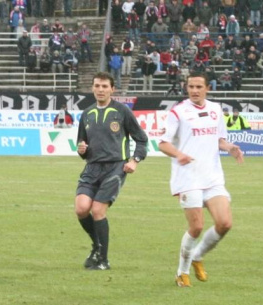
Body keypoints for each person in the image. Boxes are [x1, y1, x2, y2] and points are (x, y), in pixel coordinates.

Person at [158, 72, 245, 288]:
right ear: (186, 88)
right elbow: (163, 143)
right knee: (196, 227)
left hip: (212, 177)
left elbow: (219, 140)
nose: (194, 91)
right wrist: (179, 155)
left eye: (198, 87)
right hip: (188, 178)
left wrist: (230, 147)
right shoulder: (178, 112)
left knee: (225, 223)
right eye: (191, 87)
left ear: (208, 88)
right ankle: (182, 272)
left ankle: (197, 256)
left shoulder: (216, 109)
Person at [75, 72, 148, 270]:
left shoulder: (122, 111)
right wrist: (81, 149)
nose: (100, 89)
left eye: (105, 86)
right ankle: (96, 245)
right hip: (92, 167)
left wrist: (135, 160)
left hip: (115, 167)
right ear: (92, 88)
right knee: (81, 209)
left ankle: (103, 260)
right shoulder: (87, 113)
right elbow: (82, 143)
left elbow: (141, 139)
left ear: (112, 89)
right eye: (97, 85)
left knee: (98, 210)